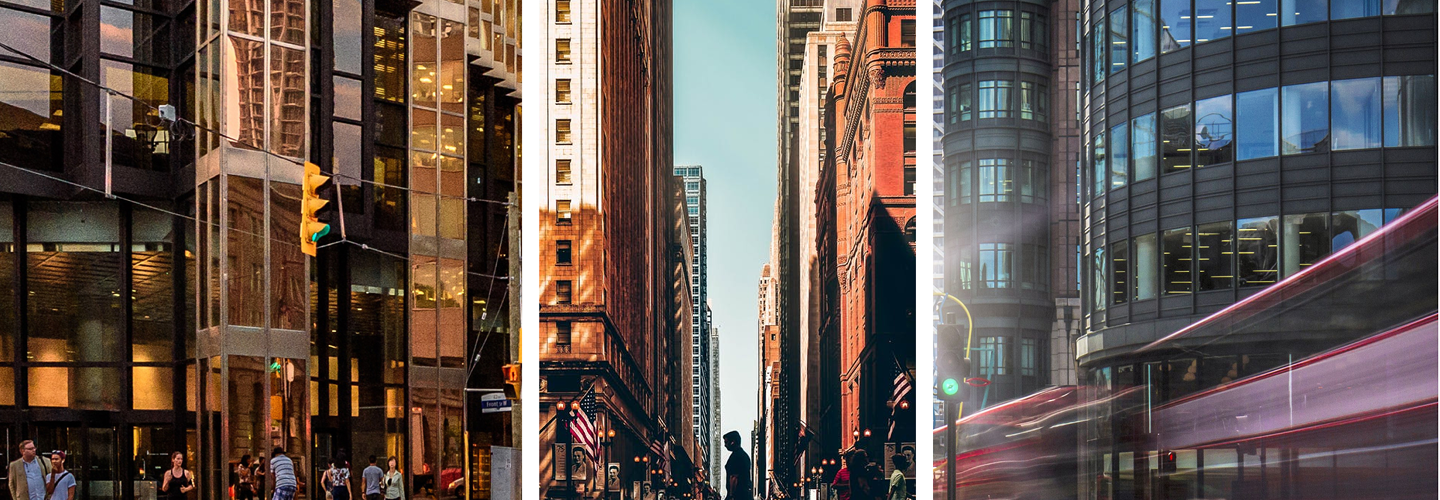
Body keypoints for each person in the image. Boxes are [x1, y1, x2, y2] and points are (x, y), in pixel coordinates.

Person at [722, 431, 752, 500]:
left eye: (726, 442)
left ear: (733, 442)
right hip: (744, 495)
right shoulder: (743, 455)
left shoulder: (736, 456)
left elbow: (734, 477)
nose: (725, 445)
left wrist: (731, 496)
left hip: (738, 495)